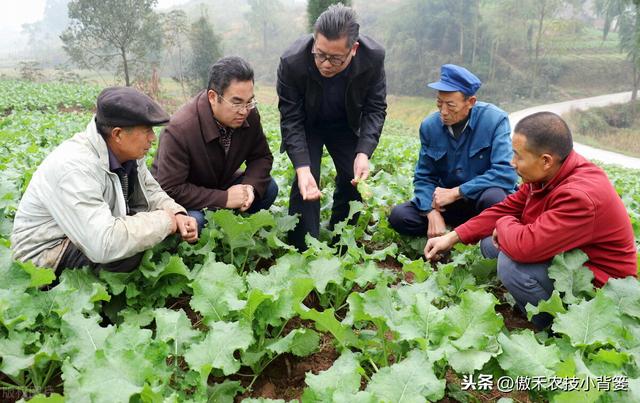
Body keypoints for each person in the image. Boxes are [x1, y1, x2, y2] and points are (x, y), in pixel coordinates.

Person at [425, 112, 637, 329]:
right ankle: (536, 302)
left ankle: (557, 327)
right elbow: (508, 207)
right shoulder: (550, 173)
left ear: (545, 160)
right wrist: (452, 237)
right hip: (574, 260)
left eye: (518, 156)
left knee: (511, 265)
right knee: (491, 245)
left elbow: (525, 247)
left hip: (600, 291)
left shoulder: (580, 196)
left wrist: (503, 224)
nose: (512, 162)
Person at [11, 87, 198, 273]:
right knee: (128, 252)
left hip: (87, 232)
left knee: (157, 235)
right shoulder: (74, 166)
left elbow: (150, 191)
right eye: (147, 130)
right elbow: (103, 244)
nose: (153, 138)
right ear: (117, 134)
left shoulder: (130, 153)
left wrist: (176, 213)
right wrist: (165, 221)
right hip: (46, 255)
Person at [277, 4, 386, 250]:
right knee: (306, 181)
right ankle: (302, 248)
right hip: (307, 124)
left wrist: (363, 153)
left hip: (344, 124)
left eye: (336, 58)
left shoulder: (373, 59)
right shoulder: (292, 61)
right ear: (315, 41)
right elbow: (290, 117)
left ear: (353, 49)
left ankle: (341, 240)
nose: (325, 64)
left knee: (353, 178)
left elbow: (375, 108)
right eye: (320, 54)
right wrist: (302, 168)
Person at [388, 64, 517, 239]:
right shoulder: (430, 126)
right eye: (439, 103)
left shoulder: (494, 120)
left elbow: (505, 173)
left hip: (479, 201)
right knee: (400, 216)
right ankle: (452, 232)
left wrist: (457, 192)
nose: (443, 112)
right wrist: (430, 212)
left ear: (470, 102)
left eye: (450, 105)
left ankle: (466, 234)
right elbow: (424, 177)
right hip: (445, 205)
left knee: (496, 199)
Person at [152, 56, 277, 231]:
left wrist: (249, 186)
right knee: (196, 221)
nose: (244, 111)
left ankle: (229, 229)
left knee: (268, 188)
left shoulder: (249, 114)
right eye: (236, 102)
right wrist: (224, 199)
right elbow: (170, 189)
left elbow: (261, 156)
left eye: (249, 102)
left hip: (220, 183)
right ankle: (221, 226)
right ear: (212, 97)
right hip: (187, 198)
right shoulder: (180, 128)